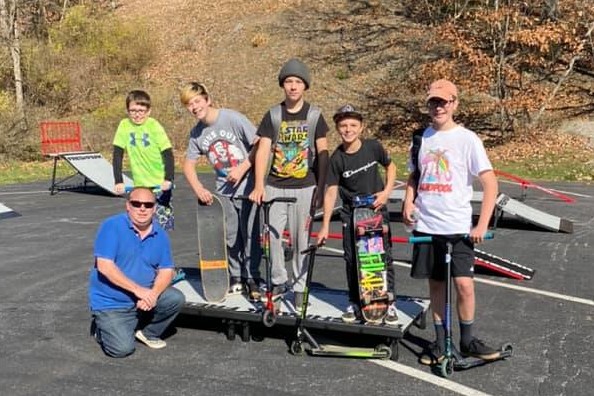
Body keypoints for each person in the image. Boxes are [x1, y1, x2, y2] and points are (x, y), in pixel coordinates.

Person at [402, 79, 500, 364]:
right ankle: (440, 341)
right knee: (436, 287)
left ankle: (467, 340)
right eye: (433, 102)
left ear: (454, 104)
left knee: (464, 285)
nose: (438, 107)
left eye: (443, 102)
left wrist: (482, 224)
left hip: (457, 229)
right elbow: (414, 176)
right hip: (427, 226)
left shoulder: (467, 139)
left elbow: (490, 183)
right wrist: (408, 200)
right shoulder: (421, 138)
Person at [249, 58, 329, 309]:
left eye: (297, 82)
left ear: (305, 86)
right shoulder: (273, 115)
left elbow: (323, 152)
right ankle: (278, 283)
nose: (293, 86)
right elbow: (262, 150)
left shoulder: (315, 115)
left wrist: (320, 188)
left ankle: (299, 287)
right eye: (288, 82)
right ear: (283, 86)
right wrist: (259, 185)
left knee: (300, 241)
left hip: (304, 186)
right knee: (272, 239)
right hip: (275, 185)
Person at [316, 104, 398, 326]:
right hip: (351, 215)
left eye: (353, 125)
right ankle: (354, 301)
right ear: (338, 129)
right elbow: (331, 191)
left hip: (375, 211)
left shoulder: (373, 147)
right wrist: (324, 225)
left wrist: (387, 192)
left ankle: (388, 303)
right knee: (353, 260)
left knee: (382, 258)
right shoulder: (337, 159)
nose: (348, 129)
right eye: (343, 125)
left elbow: (391, 167)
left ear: (361, 128)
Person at [180, 82, 262, 300]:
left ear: (207, 99)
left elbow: (259, 144)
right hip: (224, 190)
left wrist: (243, 167)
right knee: (231, 234)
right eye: (189, 104)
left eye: (197, 101)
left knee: (251, 234)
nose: (195, 107)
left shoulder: (231, 118)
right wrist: (199, 189)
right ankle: (235, 276)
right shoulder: (197, 134)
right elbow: (188, 165)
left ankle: (252, 277)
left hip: (248, 188)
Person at [88, 187, 185, 358]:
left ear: (155, 208)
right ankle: (102, 329)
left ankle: (148, 332)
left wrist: (153, 294)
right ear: (128, 206)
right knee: (122, 349)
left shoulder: (160, 234)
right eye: (136, 203)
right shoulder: (111, 226)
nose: (142, 209)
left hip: (144, 297)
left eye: (148, 205)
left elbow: (166, 270)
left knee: (175, 299)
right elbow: (105, 266)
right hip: (112, 302)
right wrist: (138, 290)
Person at [112, 90, 175, 230]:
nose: (137, 114)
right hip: (140, 186)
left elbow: (168, 154)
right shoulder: (124, 125)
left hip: (159, 185)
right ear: (127, 110)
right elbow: (117, 154)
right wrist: (118, 181)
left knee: (160, 227)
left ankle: (160, 250)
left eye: (141, 110)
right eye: (133, 111)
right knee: (138, 225)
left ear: (148, 111)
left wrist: (168, 179)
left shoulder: (154, 126)